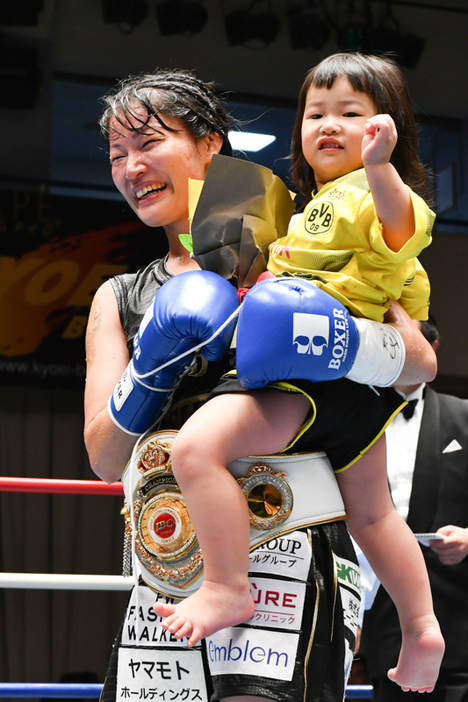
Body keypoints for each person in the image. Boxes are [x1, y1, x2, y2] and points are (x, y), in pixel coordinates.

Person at [84, 66, 437, 702]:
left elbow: (418, 363)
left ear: (211, 144)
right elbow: (106, 458)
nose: (132, 166)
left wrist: (333, 334)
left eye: (149, 143)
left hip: (294, 560)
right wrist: (153, 362)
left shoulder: (299, 246)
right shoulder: (119, 297)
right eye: (117, 154)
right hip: (171, 568)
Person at [360, 314, 468, 702]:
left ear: (431, 349)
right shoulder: (351, 417)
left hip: (457, 612)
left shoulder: (464, 416)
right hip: (379, 617)